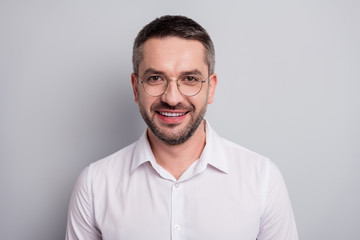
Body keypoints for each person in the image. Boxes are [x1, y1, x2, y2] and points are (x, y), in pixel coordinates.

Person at [65, 15, 298, 240]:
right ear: (136, 88)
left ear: (211, 88)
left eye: (190, 79)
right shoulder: (94, 185)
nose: (172, 98)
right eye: (156, 78)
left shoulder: (262, 179)